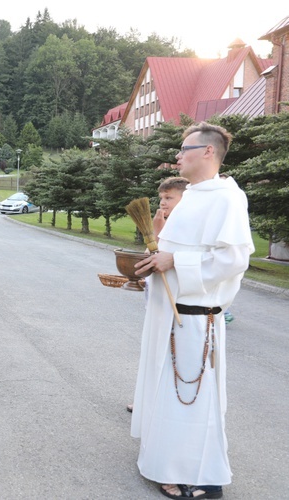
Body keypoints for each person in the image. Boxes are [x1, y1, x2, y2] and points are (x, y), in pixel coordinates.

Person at [132, 122, 254, 500]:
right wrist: (147, 272)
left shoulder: (226, 198)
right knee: (167, 392)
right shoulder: (196, 195)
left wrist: (174, 261)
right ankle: (164, 459)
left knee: (190, 397)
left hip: (194, 318)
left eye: (185, 149)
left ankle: (203, 476)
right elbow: (172, 255)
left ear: (208, 152)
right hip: (168, 312)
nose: (177, 156)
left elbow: (233, 260)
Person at [128, 176, 188, 413]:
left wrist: (159, 234)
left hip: (175, 304)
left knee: (169, 355)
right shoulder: (164, 223)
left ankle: (161, 402)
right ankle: (145, 398)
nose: (163, 203)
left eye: (169, 198)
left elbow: (172, 261)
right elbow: (149, 257)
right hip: (155, 301)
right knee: (151, 353)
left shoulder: (185, 226)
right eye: (161, 198)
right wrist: (154, 233)